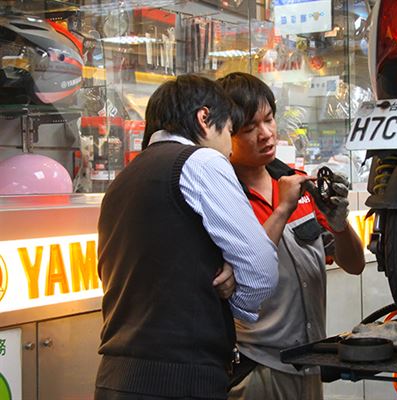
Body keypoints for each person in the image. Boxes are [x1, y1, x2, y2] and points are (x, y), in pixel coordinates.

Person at [95, 74, 309, 400]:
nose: (229, 146)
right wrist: (234, 294)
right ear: (204, 119)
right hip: (181, 378)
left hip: (115, 376)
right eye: (229, 130)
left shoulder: (122, 181)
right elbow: (261, 271)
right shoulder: (201, 161)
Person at [218, 72, 366, 400]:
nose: (266, 133)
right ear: (226, 133)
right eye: (250, 128)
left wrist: (341, 225)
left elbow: (355, 265)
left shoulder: (299, 183)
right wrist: (282, 209)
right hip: (258, 367)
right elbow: (241, 275)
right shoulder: (222, 198)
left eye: (269, 119)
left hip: (310, 361)